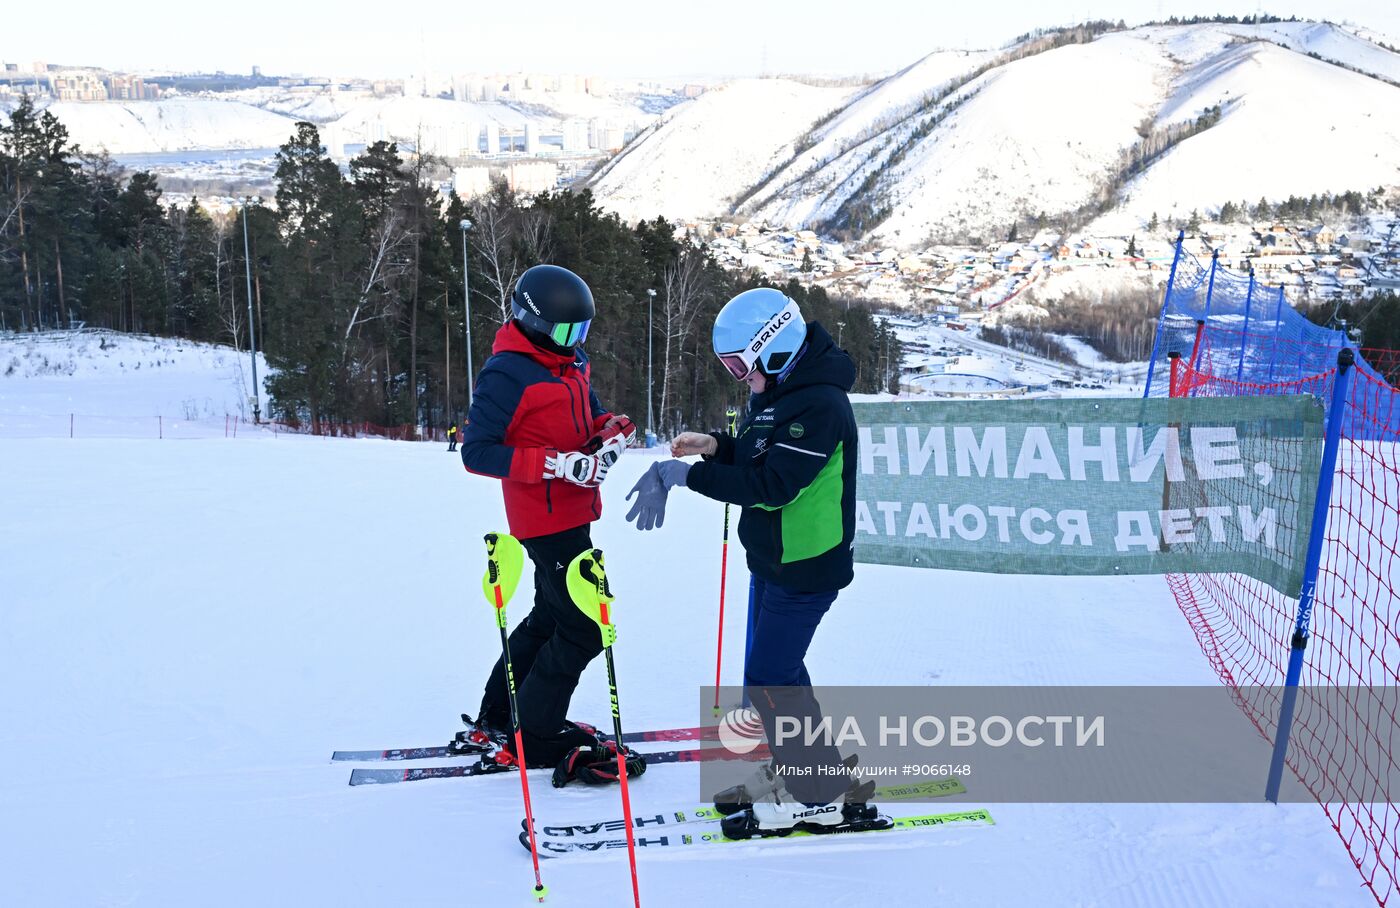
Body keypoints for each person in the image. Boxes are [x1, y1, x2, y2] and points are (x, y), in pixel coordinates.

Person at [625, 286, 874, 835]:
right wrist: (713, 446)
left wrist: (688, 477)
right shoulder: (780, 392)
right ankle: (810, 771)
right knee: (779, 674)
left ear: (776, 349)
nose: (740, 377)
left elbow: (774, 484)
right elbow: (755, 450)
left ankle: (816, 795)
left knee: (770, 677)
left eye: (742, 365)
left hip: (807, 566)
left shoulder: (819, 404)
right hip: (772, 558)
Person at [459, 263, 639, 779]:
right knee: (583, 628)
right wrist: (554, 464)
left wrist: (611, 431)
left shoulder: (569, 362)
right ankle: (534, 735)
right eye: (564, 331)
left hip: (575, 513)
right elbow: (477, 451)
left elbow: (589, 417)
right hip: (544, 520)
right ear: (532, 321)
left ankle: (500, 713)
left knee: (549, 617)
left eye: (581, 332)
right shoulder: (508, 372)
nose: (574, 342)